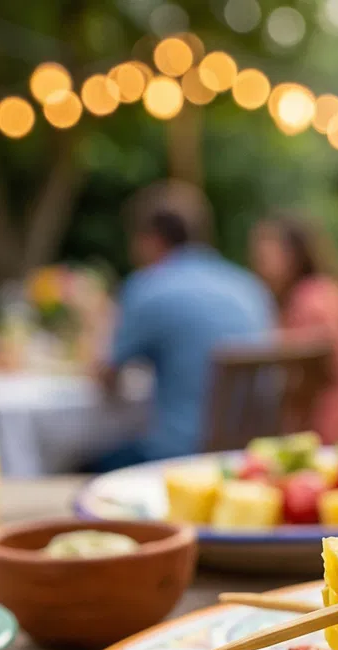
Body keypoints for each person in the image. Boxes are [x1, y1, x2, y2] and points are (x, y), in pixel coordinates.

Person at [91, 180, 275, 470]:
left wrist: (96, 323)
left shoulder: (149, 287)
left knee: (79, 459)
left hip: (177, 460)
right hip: (249, 460)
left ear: (151, 238)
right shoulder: (250, 287)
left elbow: (106, 377)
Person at [248, 214, 338, 442]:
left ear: (294, 255)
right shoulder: (325, 289)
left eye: (267, 253)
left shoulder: (309, 299)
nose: (258, 261)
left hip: (326, 426)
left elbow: (305, 365)